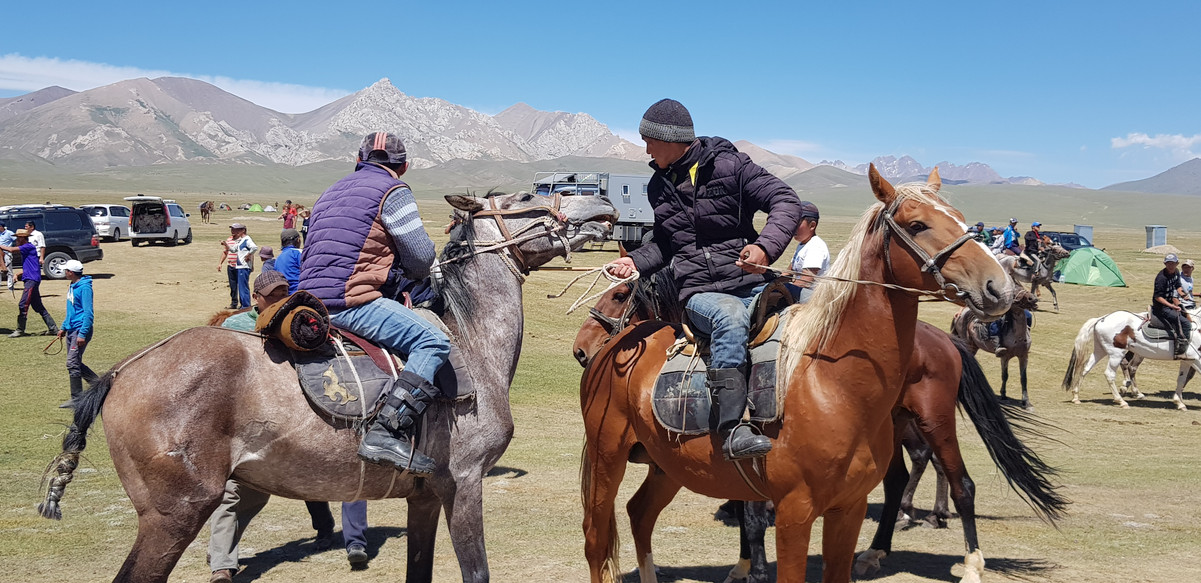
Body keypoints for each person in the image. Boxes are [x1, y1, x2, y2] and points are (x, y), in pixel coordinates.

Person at [606, 99, 802, 461]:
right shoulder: (657, 187)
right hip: (700, 292)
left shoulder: (731, 167)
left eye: (650, 140)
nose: (646, 149)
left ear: (673, 139)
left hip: (751, 279)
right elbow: (666, 244)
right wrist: (634, 261)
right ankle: (730, 428)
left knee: (812, 303)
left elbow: (785, 201)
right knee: (730, 317)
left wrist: (764, 248)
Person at [299, 131, 450, 476]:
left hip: (309, 300)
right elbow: (421, 257)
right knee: (433, 341)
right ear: (404, 166)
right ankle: (387, 431)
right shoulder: (394, 191)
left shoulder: (329, 191)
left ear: (358, 160)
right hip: (351, 300)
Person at [1, 229, 57, 337]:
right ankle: (53, 328)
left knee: (23, 304)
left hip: (31, 280)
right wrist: (18, 274)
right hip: (31, 278)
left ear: (22, 238)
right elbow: (32, 265)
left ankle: (20, 330)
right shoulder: (27, 249)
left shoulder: (28, 246)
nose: (16, 240)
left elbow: (11, 250)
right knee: (38, 306)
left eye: (18, 238)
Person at [57, 260, 97, 407]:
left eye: (65, 270)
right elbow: (71, 311)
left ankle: (77, 400)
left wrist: (82, 334)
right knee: (75, 363)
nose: (64, 272)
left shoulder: (84, 288)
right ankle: (98, 385)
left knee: (72, 363)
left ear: (71, 272)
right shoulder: (73, 286)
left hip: (80, 331)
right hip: (72, 329)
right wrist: (64, 327)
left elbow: (88, 313)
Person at [786, 201, 829, 303]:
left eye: (798, 223)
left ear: (812, 225)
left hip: (813, 297)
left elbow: (806, 280)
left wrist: (783, 290)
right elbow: (790, 270)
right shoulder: (803, 244)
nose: (793, 227)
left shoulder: (816, 246)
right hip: (801, 292)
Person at [1153, 254, 1191, 358]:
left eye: (1173, 263)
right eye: (1168, 263)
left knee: (1187, 314)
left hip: (1170, 303)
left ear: (1177, 264)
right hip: (1161, 307)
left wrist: (1183, 294)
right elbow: (1158, 297)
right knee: (1186, 323)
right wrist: (1172, 306)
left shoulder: (1176, 272)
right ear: (1165, 264)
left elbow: (1177, 285)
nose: (1171, 265)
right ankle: (1180, 351)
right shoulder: (1161, 278)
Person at [218, 224, 257, 310]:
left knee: (243, 287)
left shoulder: (247, 239)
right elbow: (232, 249)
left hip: (244, 266)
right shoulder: (241, 241)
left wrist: (249, 255)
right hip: (239, 266)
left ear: (243, 230)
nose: (234, 232)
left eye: (237, 230)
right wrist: (225, 244)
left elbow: (254, 247)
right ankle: (243, 305)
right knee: (241, 287)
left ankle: (246, 306)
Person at [275, 228, 303, 293]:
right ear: (298, 240)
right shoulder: (298, 253)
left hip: (285, 293)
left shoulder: (278, 258)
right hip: (299, 292)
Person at [0, 220, 15, 290]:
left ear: (1, 227)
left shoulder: (9, 233)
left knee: (9, 269)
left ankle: (10, 285)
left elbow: (16, 239)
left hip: (6, 252)